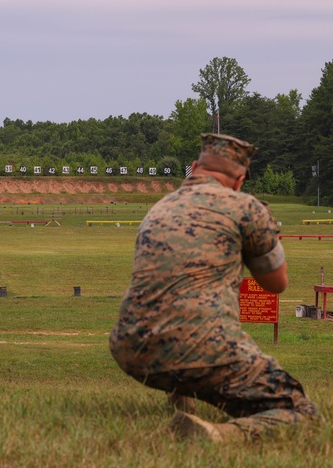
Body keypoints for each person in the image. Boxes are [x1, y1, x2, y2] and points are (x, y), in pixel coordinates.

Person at [109, 133, 321, 442]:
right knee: (304, 414)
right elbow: (277, 283)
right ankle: (218, 435)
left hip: (129, 348)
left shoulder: (159, 208)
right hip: (200, 349)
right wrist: (266, 232)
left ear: (194, 168)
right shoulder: (244, 206)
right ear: (239, 180)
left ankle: (183, 396)